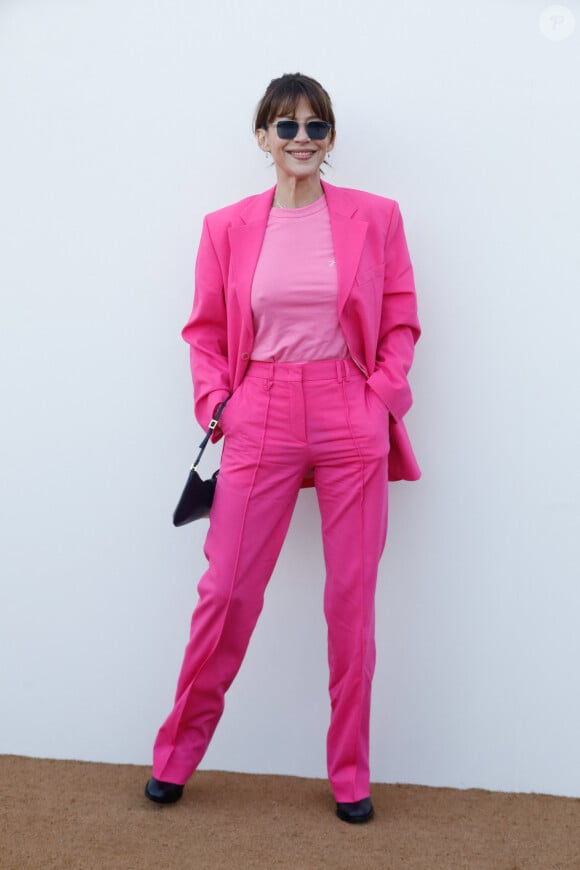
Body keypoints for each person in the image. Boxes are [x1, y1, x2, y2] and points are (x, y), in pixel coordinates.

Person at [145, 72, 421, 824]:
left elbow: (399, 320)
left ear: (330, 139)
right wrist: (219, 405)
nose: (302, 139)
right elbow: (204, 333)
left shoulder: (377, 218)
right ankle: (175, 755)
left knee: (350, 601)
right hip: (258, 409)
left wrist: (378, 400)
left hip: (347, 409)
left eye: (316, 127)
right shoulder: (226, 227)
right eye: (287, 127)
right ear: (264, 138)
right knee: (227, 592)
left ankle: (351, 775)